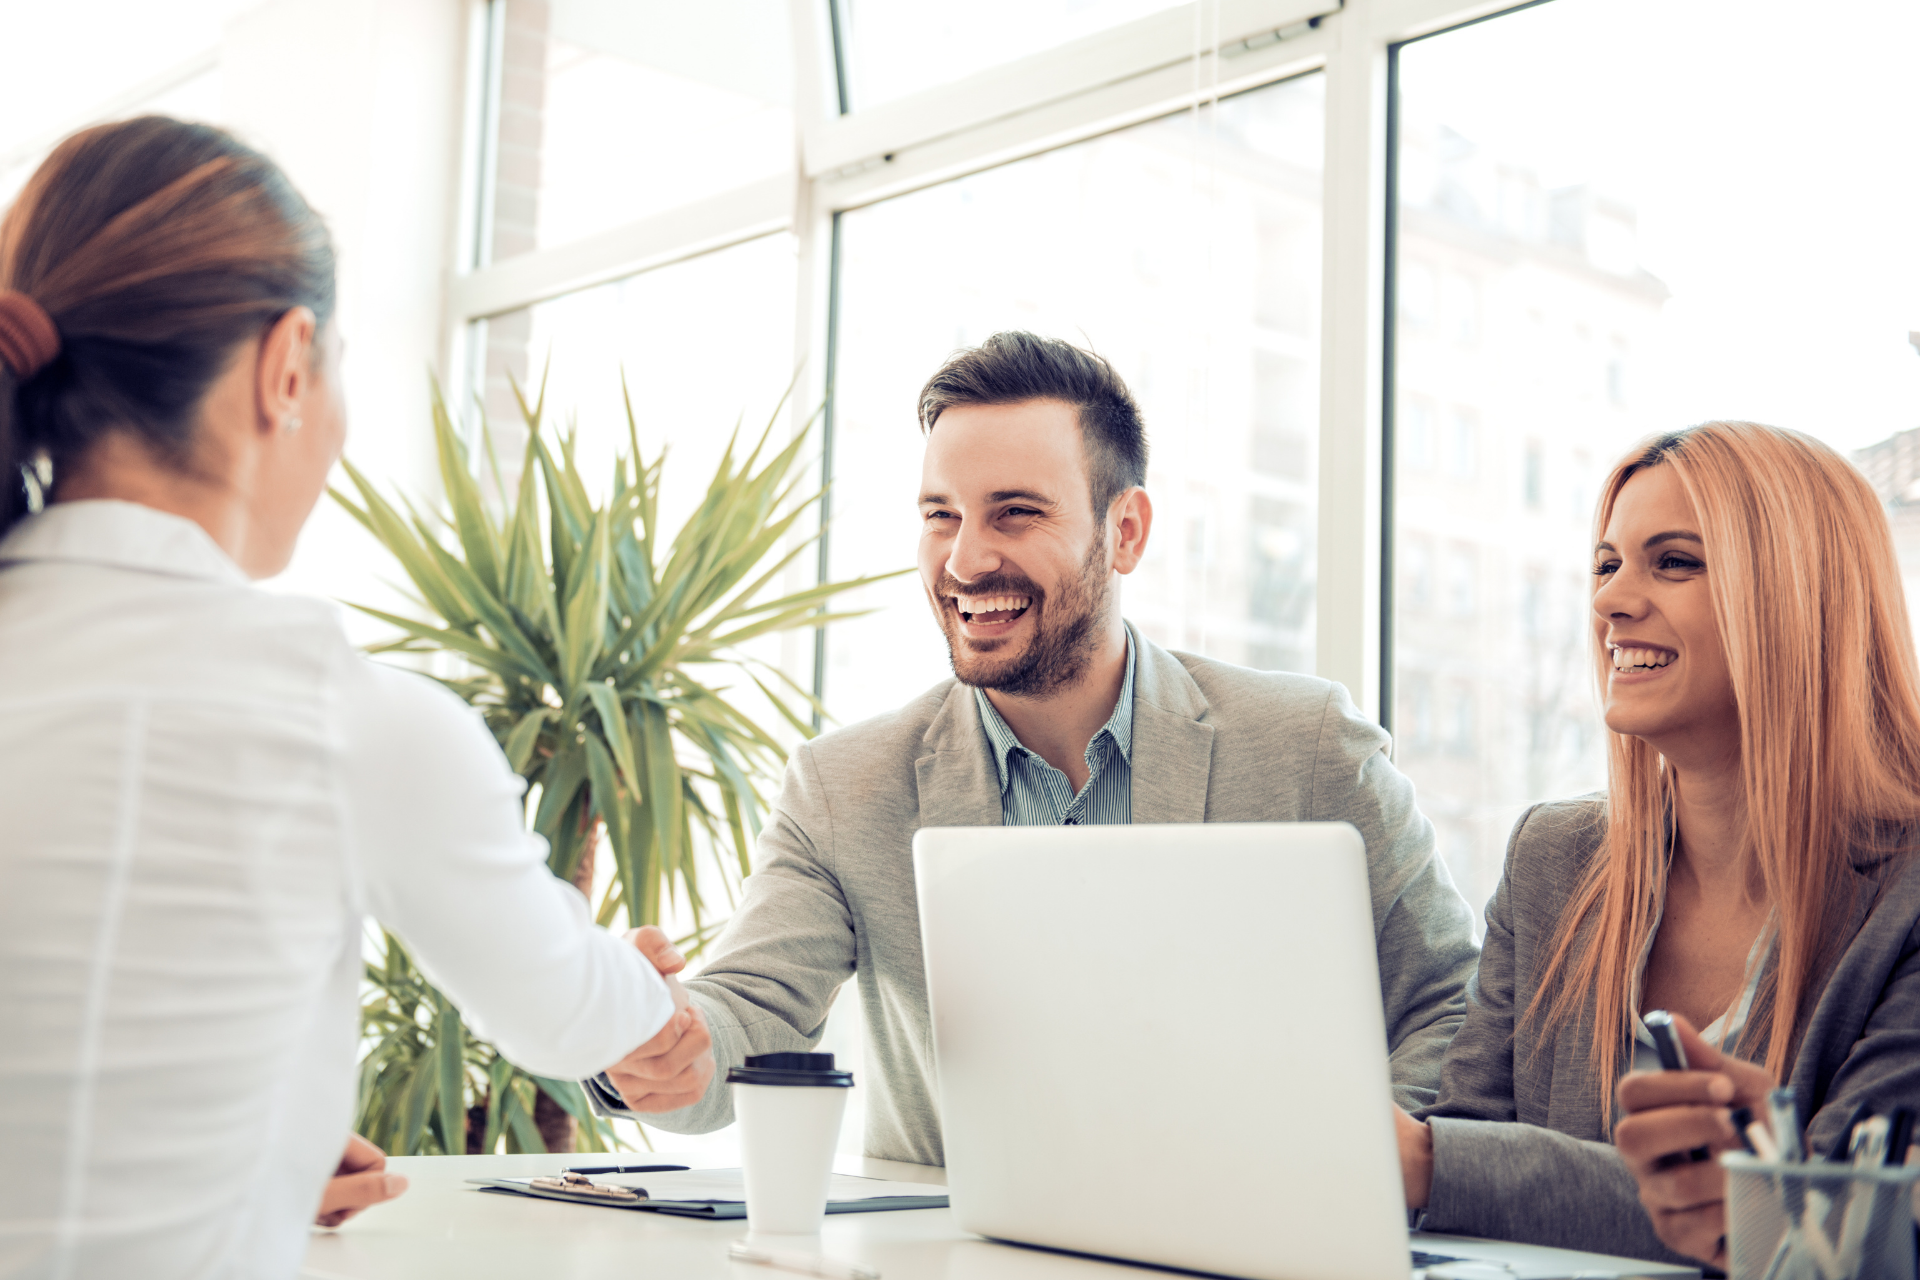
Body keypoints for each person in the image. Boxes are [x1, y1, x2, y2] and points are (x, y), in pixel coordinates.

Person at [0, 118, 700, 1280]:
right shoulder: (339, 712)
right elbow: (566, 1013)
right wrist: (640, 991)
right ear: (286, 366)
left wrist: (220, 1138)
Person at [590, 331, 1481, 1166]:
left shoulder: (1310, 747)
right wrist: (659, 1042)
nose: (966, 560)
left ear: (1125, 531)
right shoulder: (844, 788)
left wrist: (1347, 1163)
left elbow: (1451, 1007)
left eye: (1014, 513)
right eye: (942, 515)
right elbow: (748, 1015)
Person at [1393, 422, 1920, 1270]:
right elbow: (1469, 1167)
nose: (1609, 601)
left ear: (1796, 594)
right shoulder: (1553, 858)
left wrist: (1429, 1161)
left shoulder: (1905, 898)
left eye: (1672, 561)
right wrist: (1444, 1165)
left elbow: (1848, 1227)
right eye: (1606, 565)